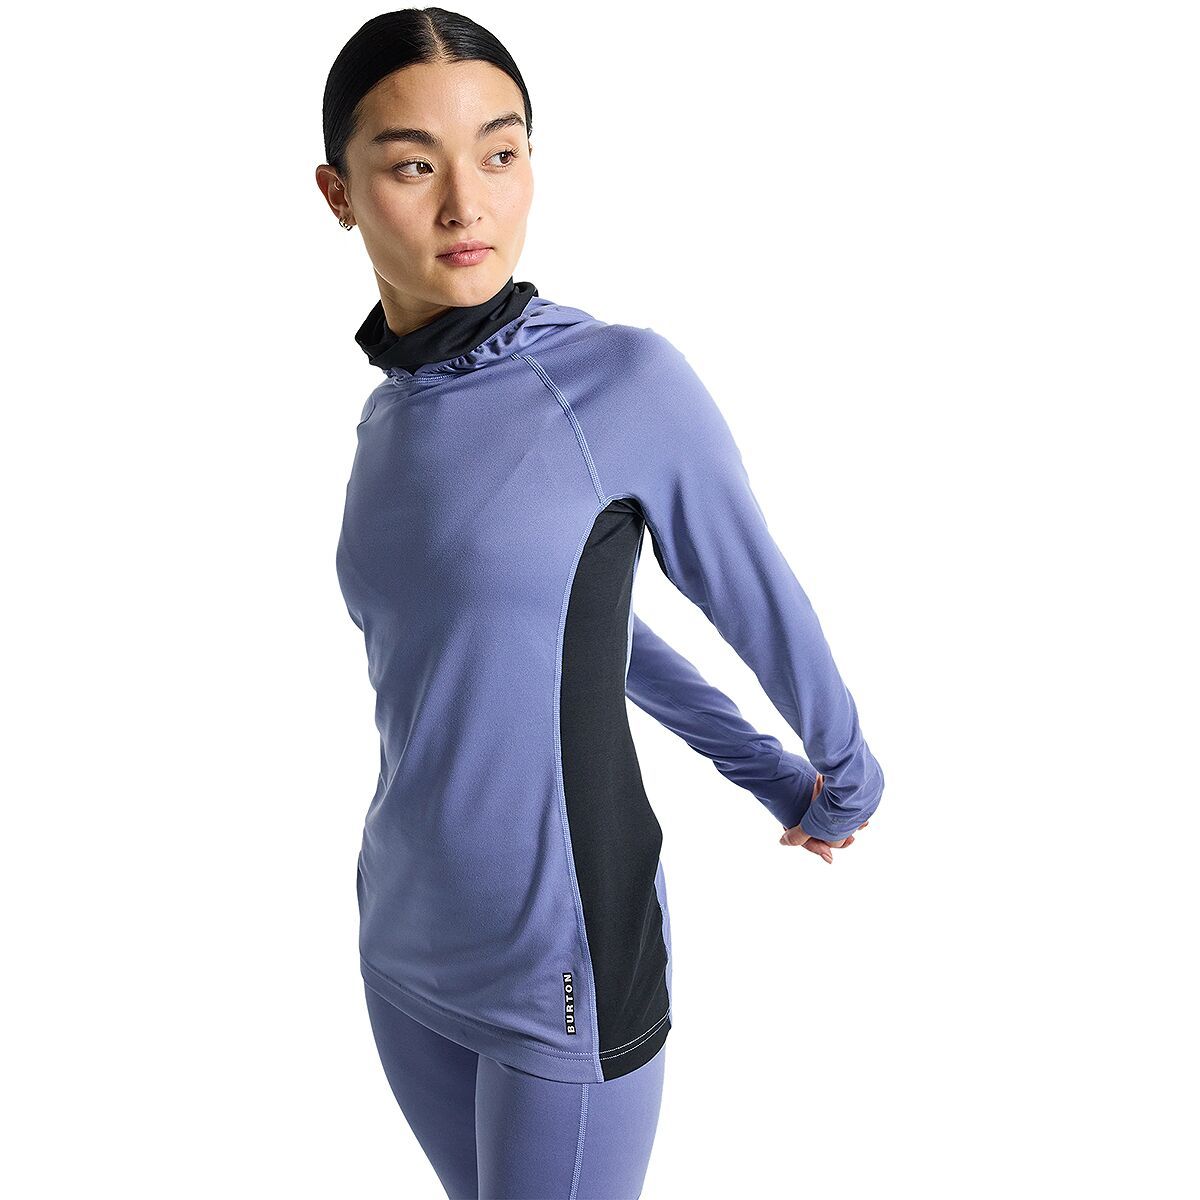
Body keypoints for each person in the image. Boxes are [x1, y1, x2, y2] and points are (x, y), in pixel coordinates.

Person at [316, 9, 884, 1197]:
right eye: (414, 166)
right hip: (402, 944)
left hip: (557, 963)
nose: (467, 205)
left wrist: (833, 773)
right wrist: (766, 770)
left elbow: (760, 601)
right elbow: (564, 629)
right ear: (340, 195)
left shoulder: (618, 382)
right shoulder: (388, 420)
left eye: (500, 153)